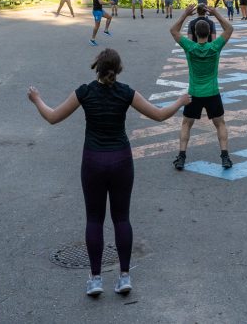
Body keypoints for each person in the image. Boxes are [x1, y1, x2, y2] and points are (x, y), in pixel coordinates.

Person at [27, 49, 190, 296]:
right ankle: (124, 276)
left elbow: (52, 117)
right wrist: (180, 101)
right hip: (121, 160)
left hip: (93, 160)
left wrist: (37, 98)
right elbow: (158, 116)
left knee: (94, 219)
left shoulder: (84, 91)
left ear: (96, 67)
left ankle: (95, 279)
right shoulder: (126, 93)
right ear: (118, 68)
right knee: (121, 218)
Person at [170, 5, 235, 170]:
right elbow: (229, 29)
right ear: (208, 33)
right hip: (212, 92)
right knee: (220, 124)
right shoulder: (215, 47)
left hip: (194, 93)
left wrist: (184, 14)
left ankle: (181, 157)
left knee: (186, 124)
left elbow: (173, 30)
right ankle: (225, 157)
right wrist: (216, 14)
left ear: (195, 33)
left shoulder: (190, 47)